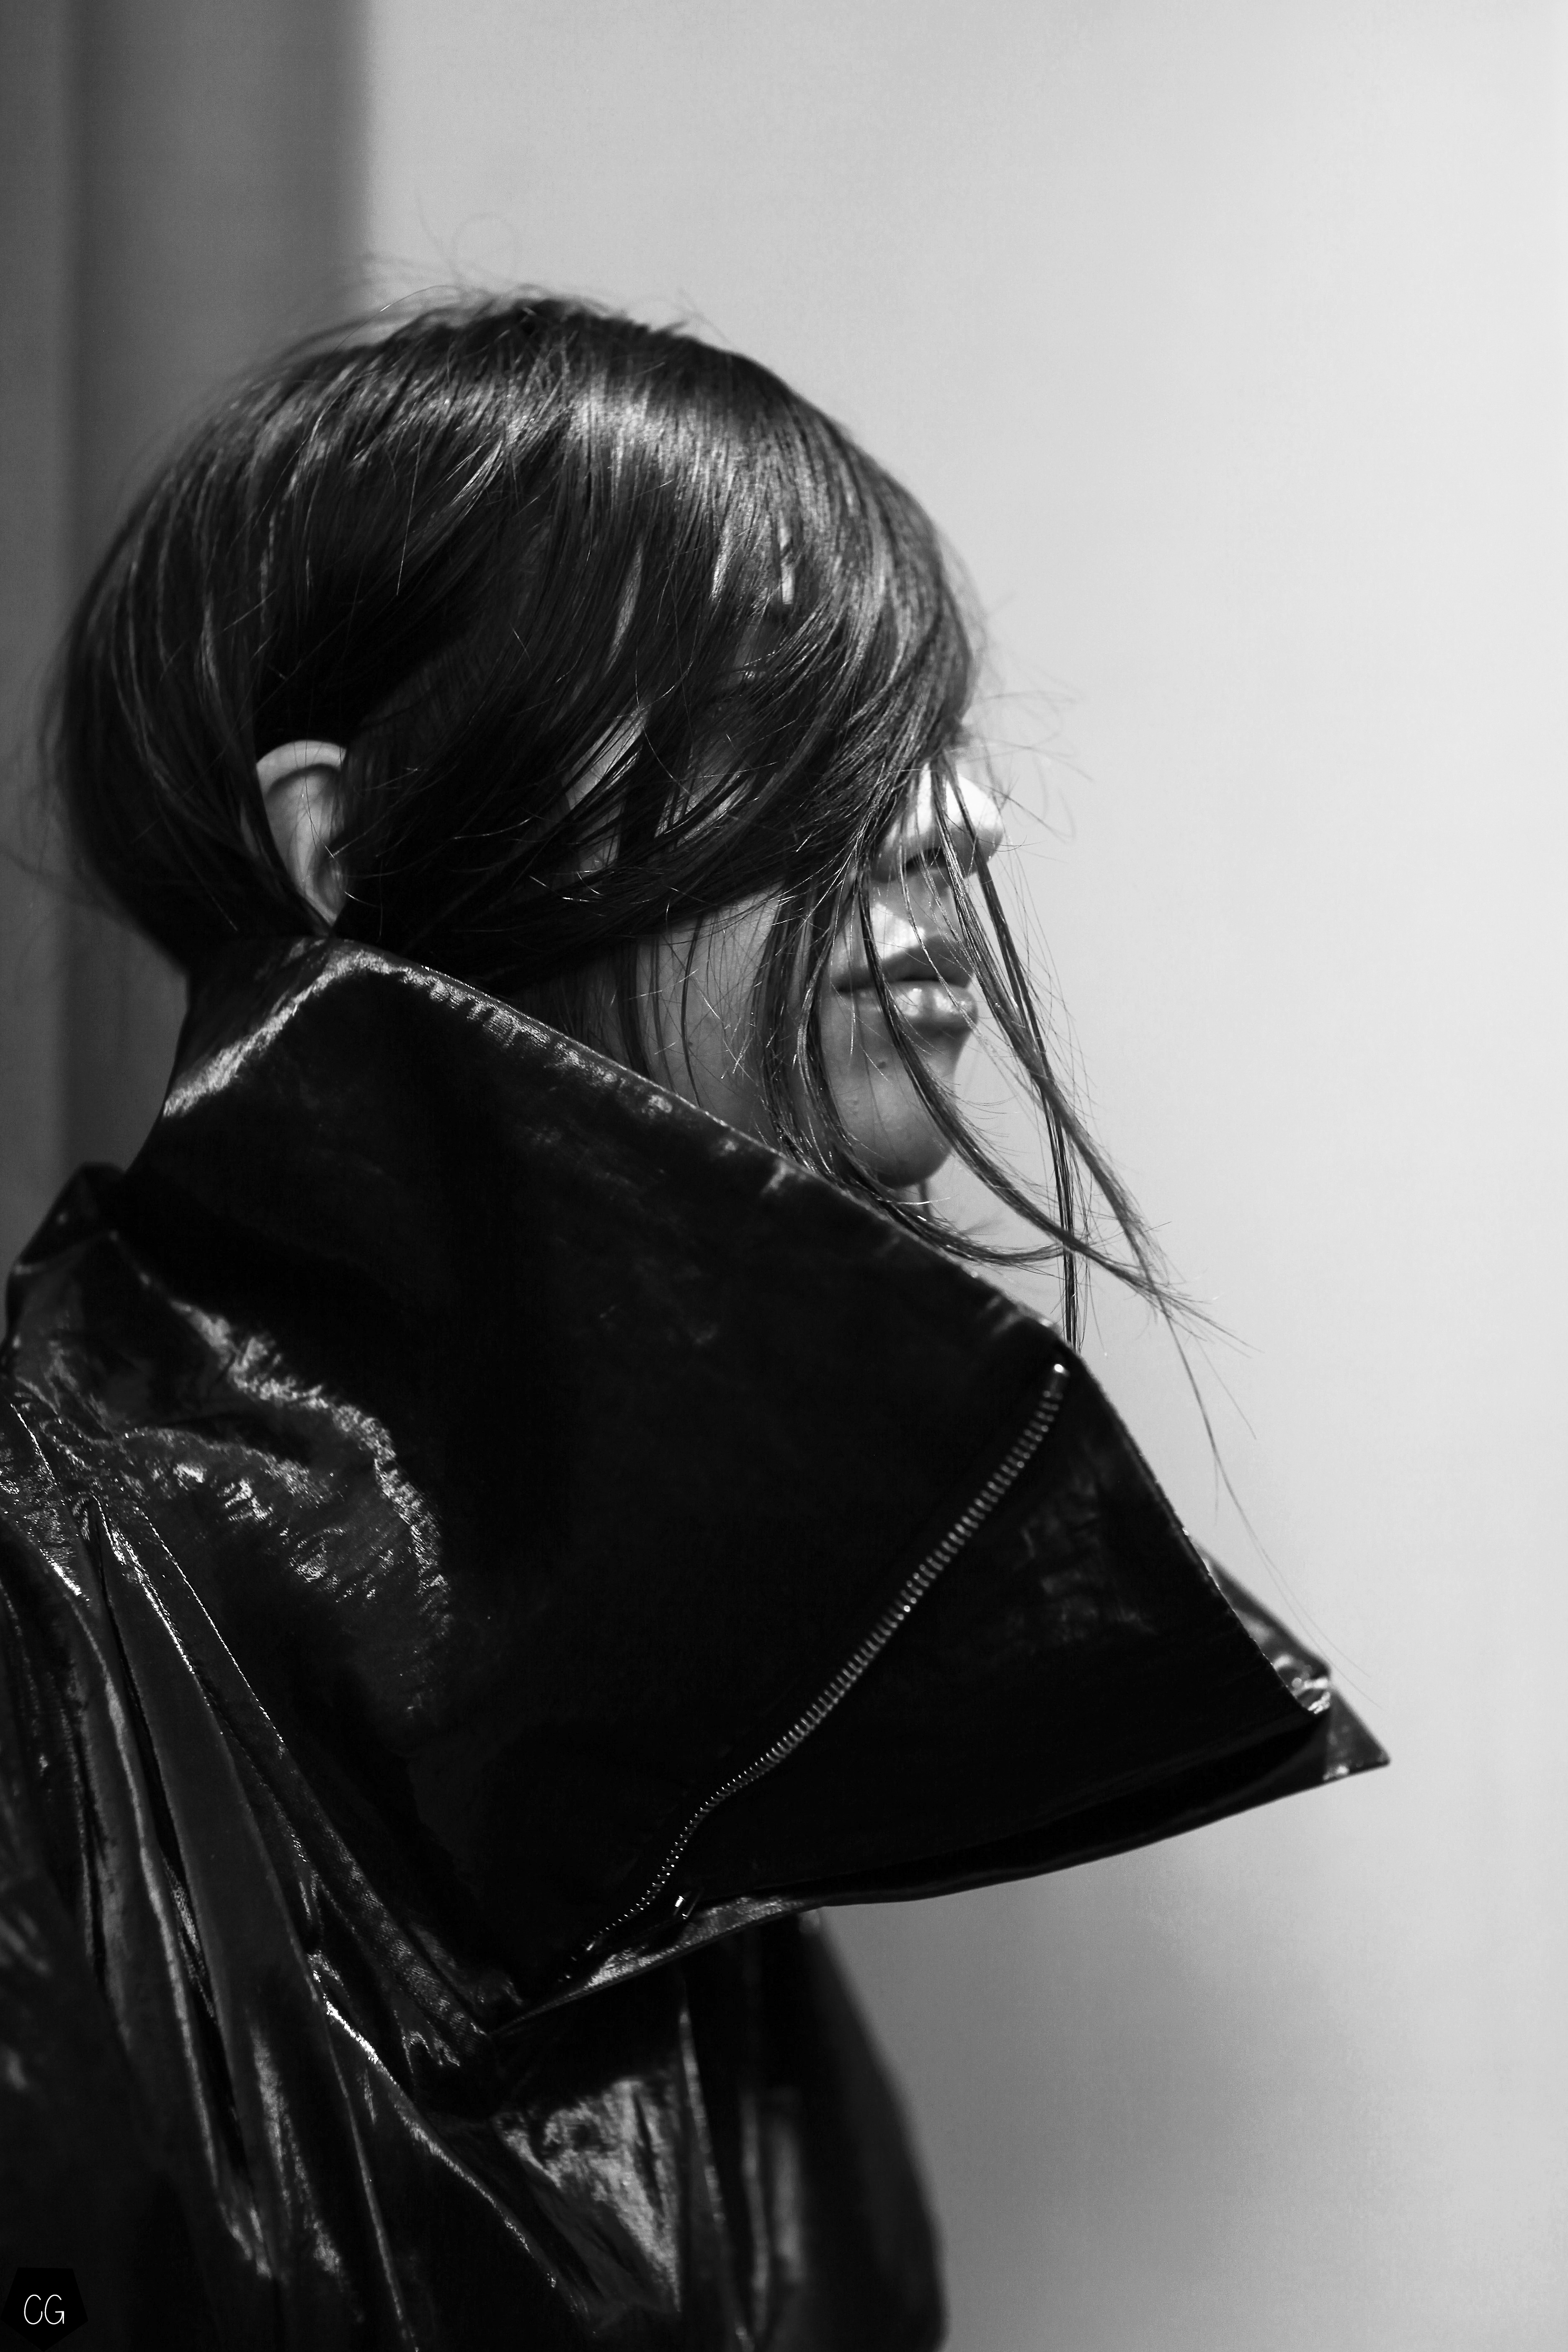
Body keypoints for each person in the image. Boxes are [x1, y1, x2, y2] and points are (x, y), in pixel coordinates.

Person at [0, 298, 1381, 2349]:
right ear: (352, 847)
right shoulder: (45, 1615)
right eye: (785, 718)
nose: (964, 821)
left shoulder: (690, 1709)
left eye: (932, 733)